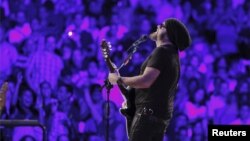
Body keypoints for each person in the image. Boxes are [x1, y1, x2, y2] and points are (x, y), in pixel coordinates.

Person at [108, 18, 191, 141]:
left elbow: (146, 81)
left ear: (169, 34)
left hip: (147, 117)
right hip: (158, 118)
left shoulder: (162, 51)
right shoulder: (173, 56)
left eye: (162, 26)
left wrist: (119, 79)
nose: (158, 25)